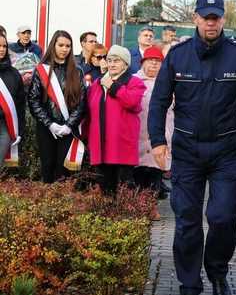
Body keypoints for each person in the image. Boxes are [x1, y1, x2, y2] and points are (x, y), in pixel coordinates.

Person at [148, 0, 236, 295]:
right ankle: (188, 284)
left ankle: (218, 272)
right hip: (187, 151)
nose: (211, 22)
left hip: (226, 152)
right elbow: (159, 101)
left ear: (223, 19)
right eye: (206, 16)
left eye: (217, 17)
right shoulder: (178, 55)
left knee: (223, 217)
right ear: (195, 18)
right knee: (186, 218)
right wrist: (158, 140)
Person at [86, 45, 146, 194]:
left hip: (121, 145)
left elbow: (132, 102)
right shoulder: (97, 84)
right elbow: (88, 111)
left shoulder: (135, 82)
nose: (112, 64)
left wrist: (113, 87)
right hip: (100, 144)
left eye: (117, 61)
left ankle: (125, 216)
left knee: (124, 188)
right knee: (104, 188)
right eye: (110, 60)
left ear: (126, 64)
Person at [27, 30, 86, 183]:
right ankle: (47, 203)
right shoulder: (41, 70)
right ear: (53, 45)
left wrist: (68, 125)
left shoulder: (77, 71)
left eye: (68, 46)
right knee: (47, 167)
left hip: (68, 129)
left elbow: (81, 103)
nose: (64, 49)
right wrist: (49, 124)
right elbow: (33, 100)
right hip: (46, 128)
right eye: (61, 45)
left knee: (64, 172)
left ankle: (62, 204)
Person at [134, 46, 173, 200]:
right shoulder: (134, 80)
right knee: (139, 170)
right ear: (143, 63)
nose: (154, 64)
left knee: (156, 170)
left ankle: (151, 205)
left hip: (160, 132)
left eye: (158, 61)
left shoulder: (168, 82)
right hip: (139, 132)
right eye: (150, 61)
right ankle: (138, 204)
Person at [0, 34, 26, 168]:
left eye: (4, 46)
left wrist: (20, 131)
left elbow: (20, 105)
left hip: (5, 127)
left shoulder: (14, 73)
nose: (2, 49)